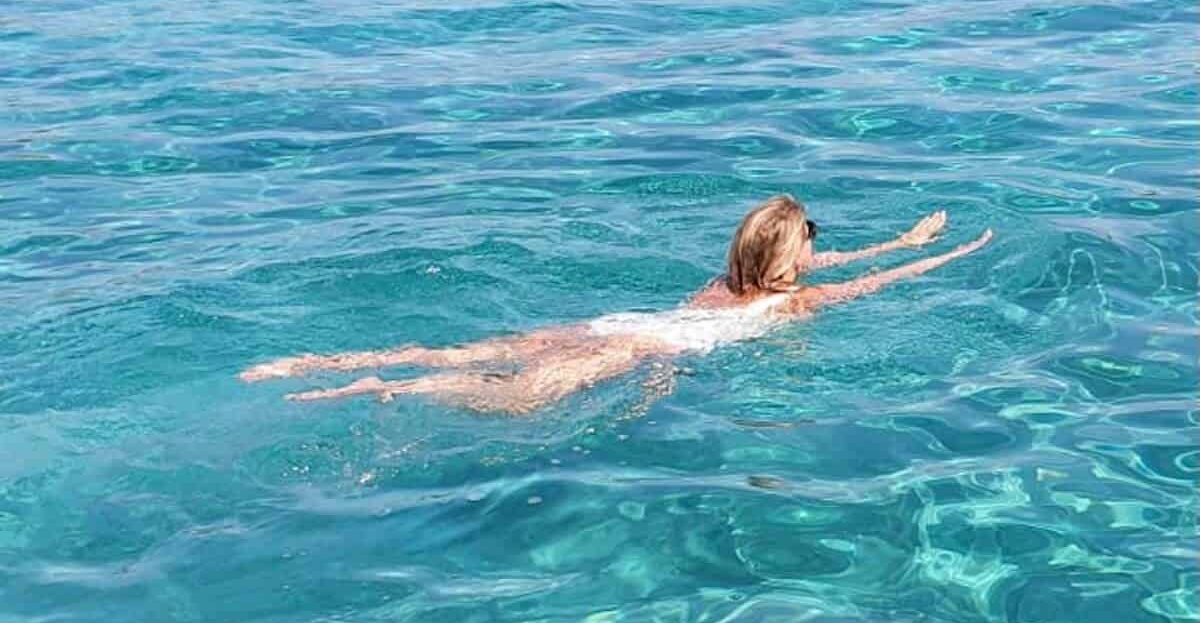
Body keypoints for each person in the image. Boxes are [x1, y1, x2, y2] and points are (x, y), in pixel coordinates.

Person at [239, 196, 992, 415]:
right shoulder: (797, 306)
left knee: (474, 350)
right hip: (642, 352)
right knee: (521, 402)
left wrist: (905, 235)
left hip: (617, 323)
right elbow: (873, 283)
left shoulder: (726, 283)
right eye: (812, 240)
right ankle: (389, 390)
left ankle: (322, 364)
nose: (821, 250)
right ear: (794, 259)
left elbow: (844, 261)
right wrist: (952, 253)